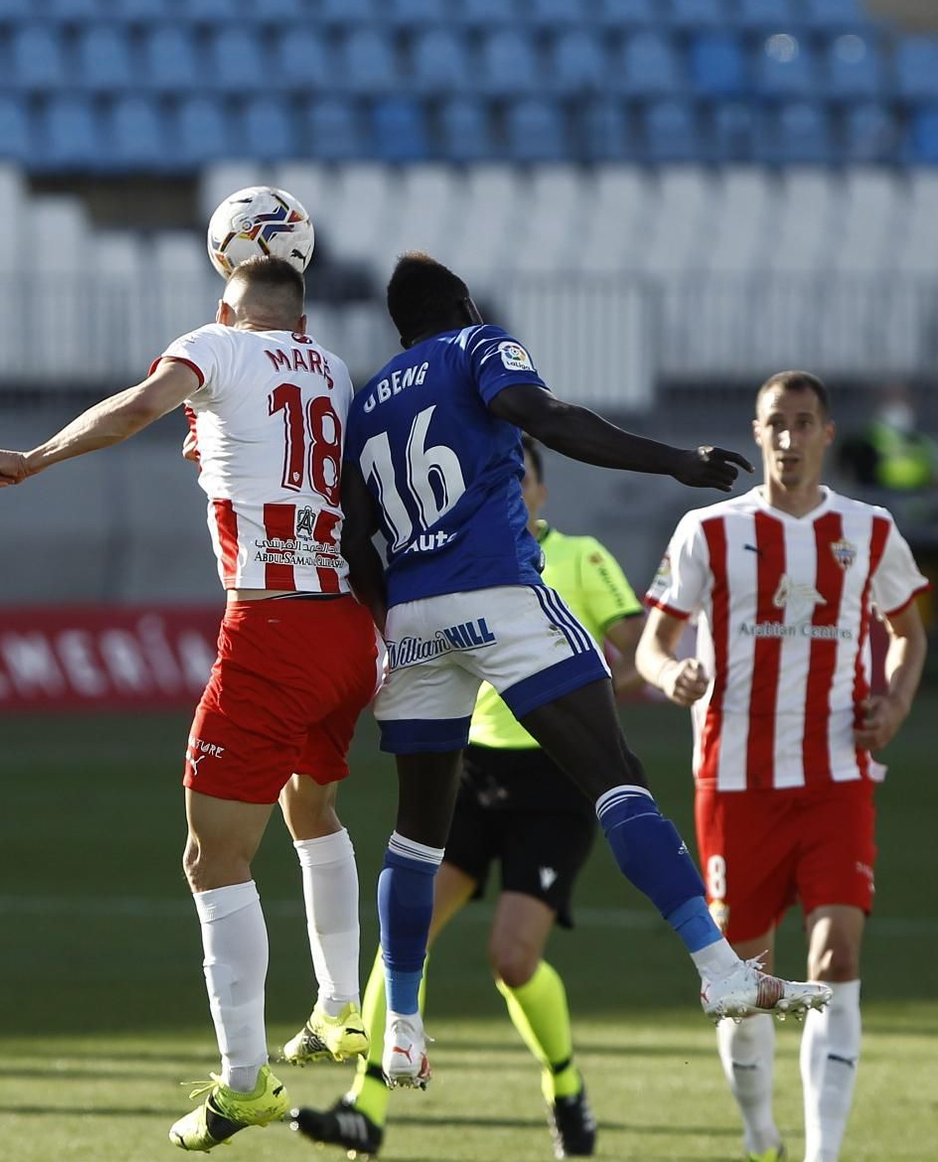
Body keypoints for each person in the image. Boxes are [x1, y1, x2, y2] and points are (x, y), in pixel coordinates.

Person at [337, 252, 831, 1095]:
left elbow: (354, 538)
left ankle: (404, 1031)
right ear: (463, 306)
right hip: (497, 589)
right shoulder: (477, 345)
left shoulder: (367, 402)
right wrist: (674, 461)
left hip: (412, 618)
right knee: (615, 777)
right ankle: (720, 968)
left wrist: (393, 622)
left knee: (417, 833)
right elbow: (546, 415)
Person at [0, 256, 379, 1153]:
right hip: (348, 627)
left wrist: (35, 458)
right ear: (300, 318)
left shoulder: (217, 347)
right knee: (313, 807)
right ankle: (341, 1007)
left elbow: (138, 407)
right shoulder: (334, 369)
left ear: (228, 309)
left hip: (273, 628)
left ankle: (244, 1083)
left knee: (212, 857)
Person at [292, 438, 645, 1159]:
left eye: (522, 478)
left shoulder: (580, 558)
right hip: (472, 771)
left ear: (540, 492)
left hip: (554, 783)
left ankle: (564, 1083)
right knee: (406, 936)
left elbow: (637, 651)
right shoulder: (465, 559)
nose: (510, 488)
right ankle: (367, 1106)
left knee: (512, 960)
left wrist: (587, 688)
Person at [636, 370, 929, 1162]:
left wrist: (895, 703)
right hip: (735, 785)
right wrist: (670, 673)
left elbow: (909, 631)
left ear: (828, 433)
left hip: (837, 776)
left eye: (805, 423)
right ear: (757, 432)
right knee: (745, 982)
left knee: (837, 955)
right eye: (777, 424)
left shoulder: (868, 530)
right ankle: (761, 1141)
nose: (791, 439)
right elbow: (653, 643)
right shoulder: (709, 531)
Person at [840, 383, 938, 494]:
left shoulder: (921, 441)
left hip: (914, 499)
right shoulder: (864, 438)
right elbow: (847, 470)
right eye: (891, 399)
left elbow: (933, 477)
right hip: (875, 497)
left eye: (901, 399)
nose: (898, 406)